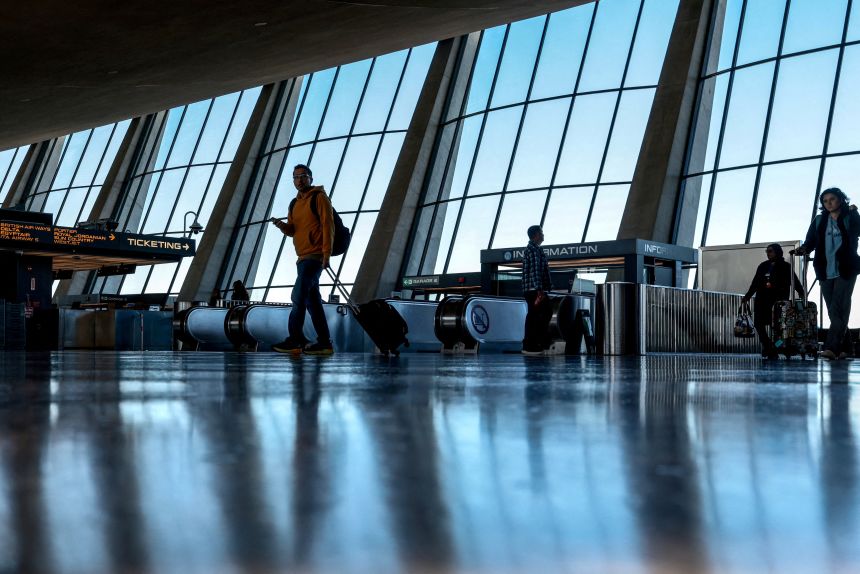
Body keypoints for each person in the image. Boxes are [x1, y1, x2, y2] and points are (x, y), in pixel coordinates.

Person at [269, 164, 335, 356]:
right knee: (313, 303)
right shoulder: (294, 203)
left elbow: (328, 225)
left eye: (303, 176)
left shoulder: (319, 197)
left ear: (311, 178)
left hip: (315, 257)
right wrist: (282, 225)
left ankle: (295, 339)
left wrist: (326, 254)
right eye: (296, 177)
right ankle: (324, 343)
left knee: (298, 297)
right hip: (302, 258)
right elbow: (293, 230)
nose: (299, 180)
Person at [793, 188, 860, 360]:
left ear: (841, 199)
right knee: (834, 311)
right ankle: (847, 349)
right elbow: (810, 241)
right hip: (824, 269)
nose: (829, 203)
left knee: (839, 307)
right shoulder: (819, 220)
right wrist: (804, 249)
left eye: (832, 199)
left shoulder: (850, 216)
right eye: (825, 201)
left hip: (846, 268)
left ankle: (831, 348)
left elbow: (857, 231)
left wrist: (853, 213)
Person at [742, 244, 803, 359]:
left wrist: (801, 293)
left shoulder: (786, 266)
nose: (768, 253)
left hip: (778, 302)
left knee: (777, 328)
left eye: (770, 251)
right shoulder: (763, 266)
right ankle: (769, 346)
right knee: (759, 324)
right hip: (762, 301)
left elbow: (794, 281)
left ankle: (775, 347)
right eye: (767, 251)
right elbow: (755, 283)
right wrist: (748, 296)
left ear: (777, 252)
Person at [521, 224, 553, 356]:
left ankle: (536, 343)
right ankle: (531, 345)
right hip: (534, 290)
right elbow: (535, 271)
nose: (543, 235)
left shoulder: (537, 249)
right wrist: (539, 290)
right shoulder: (533, 250)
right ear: (536, 235)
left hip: (535, 289)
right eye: (541, 232)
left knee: (539, 314)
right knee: (536, 315)